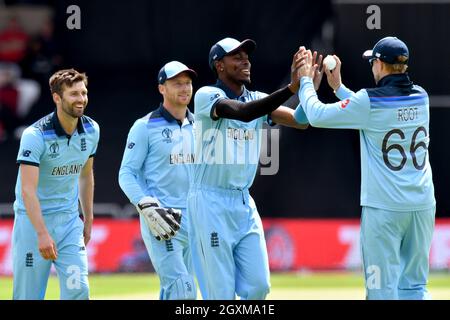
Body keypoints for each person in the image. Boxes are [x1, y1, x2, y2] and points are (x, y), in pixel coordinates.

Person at [295, 36, 435, 300]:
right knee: (415, 287)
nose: (372, 68)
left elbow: (316, 115)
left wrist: (305, 81)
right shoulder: (421, 97)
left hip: (384, 211)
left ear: (380, 65)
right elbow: (372, 114)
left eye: (373, 62)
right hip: (422, 206)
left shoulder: (368, 101)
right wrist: (339, 89)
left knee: (380, 292)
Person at [187, 38, 321, 300]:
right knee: (220, 295)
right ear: (219, 65)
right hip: (209, 202)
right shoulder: (206, 96)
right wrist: (290, 87)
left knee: (259, 287)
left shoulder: (258, 99)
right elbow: (244, 112)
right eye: (236, 56)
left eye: (246, 55)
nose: (245, 60)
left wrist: (306, 90)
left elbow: (300, 121)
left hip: (243, 202)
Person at [12, 68, 100, 299]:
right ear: (57, 98)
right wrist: (41, 233)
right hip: (32, 224)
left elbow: (85, 175)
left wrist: (88, 219)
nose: (81, 99)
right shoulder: (35, 135)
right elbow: (27, 190)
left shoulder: (92, 130)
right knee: (27, 296)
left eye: (83, 93)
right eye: (74, 94)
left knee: (78, 289)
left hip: (69, 222)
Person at [118, 61, 199, 300]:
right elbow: (126, 173)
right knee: (184, 291)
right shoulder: (144, 127)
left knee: (173, 292)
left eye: (188, 83)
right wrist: (146, 204)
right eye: (177, 84)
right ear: (162, 88)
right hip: (162, 219)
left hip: (195, 219)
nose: (184, 88)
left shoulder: (200, 125)